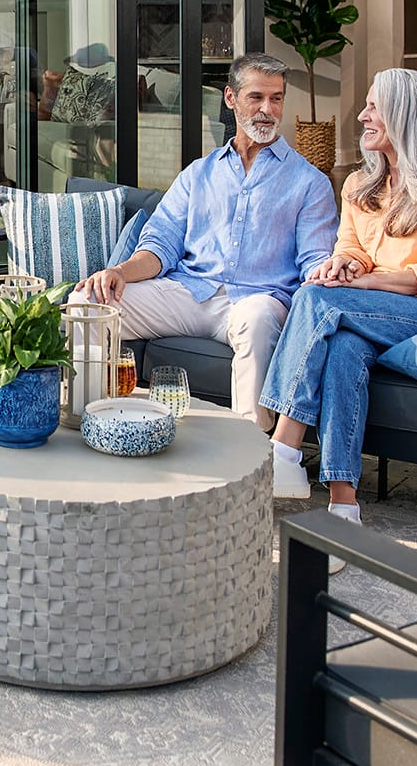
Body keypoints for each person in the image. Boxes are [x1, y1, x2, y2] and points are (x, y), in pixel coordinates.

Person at [259, 67, 417, 568]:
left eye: (373, 107)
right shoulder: (362, 185)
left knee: (320, 300)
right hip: (373, 311)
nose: (361, 116)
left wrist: (357, 283)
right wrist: (345, 263)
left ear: (407, 118)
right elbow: (353, 246)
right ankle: (345, 512)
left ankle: (283, 447)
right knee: (342, 347)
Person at [72, 53, 337, 473]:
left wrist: (330, 272)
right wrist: (118, 273)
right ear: (231, 99)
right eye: (256, 97)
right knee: (89, 302)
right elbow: (159, 245)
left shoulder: (309, 183)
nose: (267, 110)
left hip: (258, 298)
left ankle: (247, 461)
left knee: (256, 318)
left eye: (276, 98)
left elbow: (315, 263)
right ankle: (86, 424)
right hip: (188, 291)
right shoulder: (198, 174)